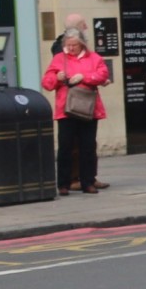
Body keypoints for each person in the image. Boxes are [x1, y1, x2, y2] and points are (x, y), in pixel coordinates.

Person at [42, 28, 108, 196]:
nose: (71, 48)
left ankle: (88, 182)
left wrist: (83, 77)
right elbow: (47, 83)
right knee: (65, 147)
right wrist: (56, 78)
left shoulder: (94, 58)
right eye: (68, 45)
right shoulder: (58, 59)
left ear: (82, 44)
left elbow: (103, 75)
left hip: (88, 109)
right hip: (67, 109)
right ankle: (63, 184)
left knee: (88, 146)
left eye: (75, 45)